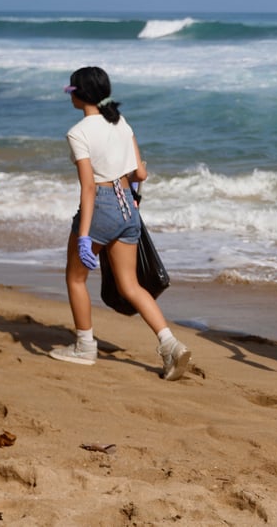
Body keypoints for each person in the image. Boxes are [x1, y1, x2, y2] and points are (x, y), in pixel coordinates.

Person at [49, 66, 191, 381]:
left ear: (78, 94)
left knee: (75, 278)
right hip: (129, 207)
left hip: (100, 205)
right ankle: (169, 343)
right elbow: (140, 174)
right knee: (131, 286)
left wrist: (84, 235)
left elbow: (88, 187)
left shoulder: (79, 132)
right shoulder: (122, 123)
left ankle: (85, 347)